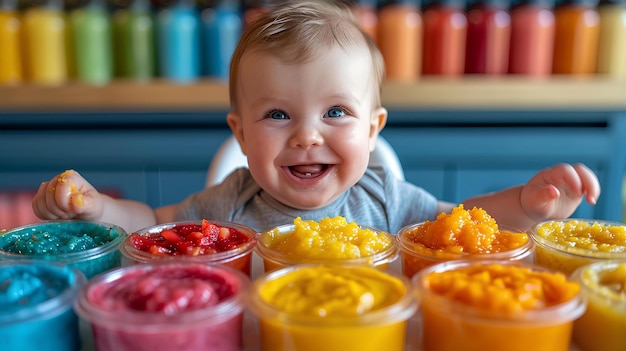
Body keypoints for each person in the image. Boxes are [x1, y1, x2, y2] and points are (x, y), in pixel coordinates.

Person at [31, 0, 600, 235]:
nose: (307, 135)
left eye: (335, 112)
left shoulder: (383, 196)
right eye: (277, 114)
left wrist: (526, 205)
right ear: (242, 134)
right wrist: (98, 208)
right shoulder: (232, 202)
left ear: (373, 130)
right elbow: (155, 221)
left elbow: (460, 221)